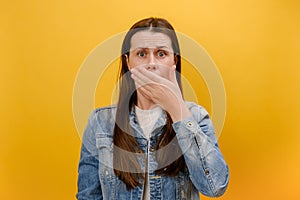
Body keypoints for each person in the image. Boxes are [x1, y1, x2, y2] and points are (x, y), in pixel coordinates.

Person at [76, 17, 229, 200]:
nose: (151, 63)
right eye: (141, 54)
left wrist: (177, 109)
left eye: (161, 53)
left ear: (174, 61)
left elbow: (215, 187)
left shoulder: (196, 117)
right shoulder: (100, 122)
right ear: (128, 62)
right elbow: (88, 196)